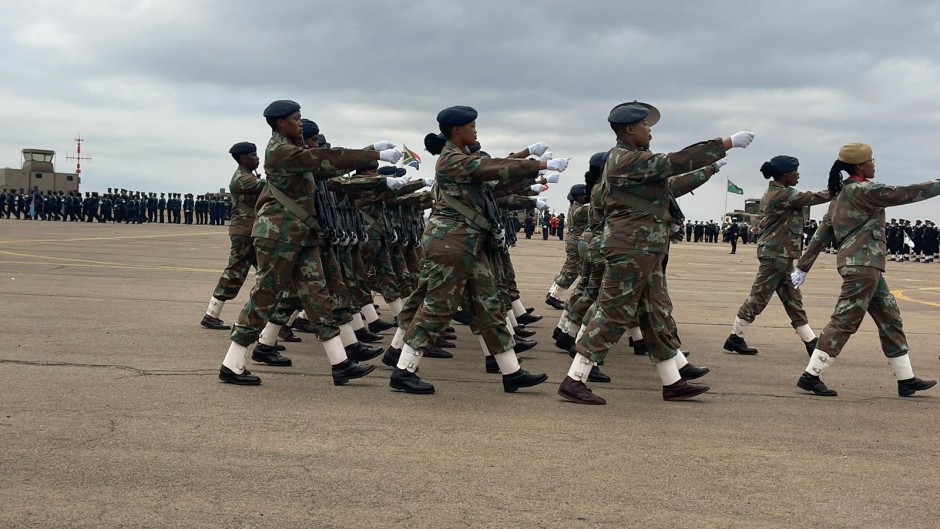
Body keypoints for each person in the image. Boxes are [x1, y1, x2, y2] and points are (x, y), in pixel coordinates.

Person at [557, 100, 754, 405]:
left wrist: (710, 168)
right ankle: (575, 379)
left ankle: (672, 381)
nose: (650, 131)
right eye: (645, 125)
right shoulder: (625, 160)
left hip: (644, 248)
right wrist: (725, 144)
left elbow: (671, 185)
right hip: (631, 247)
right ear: (629, 129)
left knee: (655, 314)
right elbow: (673, 163)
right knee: (613, 312)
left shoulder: (634, 162)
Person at [218, 99, 401, 386]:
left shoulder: (296, 150)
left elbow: (326, 166)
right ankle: (232, 363)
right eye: (295, 118)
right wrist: (373, 154)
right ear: (280, 123)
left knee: (318, 297)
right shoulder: (280, 151)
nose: (300, 123)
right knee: (265, 295)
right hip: (278, 234)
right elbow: (322, 159)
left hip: (301, 235)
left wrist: (370, 155)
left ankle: (340, 363)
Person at [388, 105, 568, 395]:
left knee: (489, 305)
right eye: (471, 126)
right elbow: (490, 167)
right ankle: (403, 370)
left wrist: (534, 172)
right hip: (451, 242)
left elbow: (497, 176)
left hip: (467, 241)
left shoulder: (463, 159)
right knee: (438, 305)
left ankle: (511, 371)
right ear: (456, 130)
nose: (475, 130)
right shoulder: (451, 161)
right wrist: (540, 164)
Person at [791, 143, 939, 397]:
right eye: (871, 160)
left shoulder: (840, 195)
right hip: (863, 266)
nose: (874, 164)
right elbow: (904, 193)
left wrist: (804, 267)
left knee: (890, 318)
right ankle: (811, 375)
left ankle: (906, 379)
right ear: (860, 165)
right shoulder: (865, 190)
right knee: (844, 320)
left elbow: (822, 233)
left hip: (864, 266)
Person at [724, 156, 831, 356]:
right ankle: (735, 336)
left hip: (780, 254)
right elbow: (811, 197)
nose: (798, 175)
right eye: (795, 171)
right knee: (760, 295)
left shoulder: (778, 192)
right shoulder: (783, 194)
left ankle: (810, 341)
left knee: (792, 297)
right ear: (785, 174)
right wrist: (836, 189)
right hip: (775, 254)